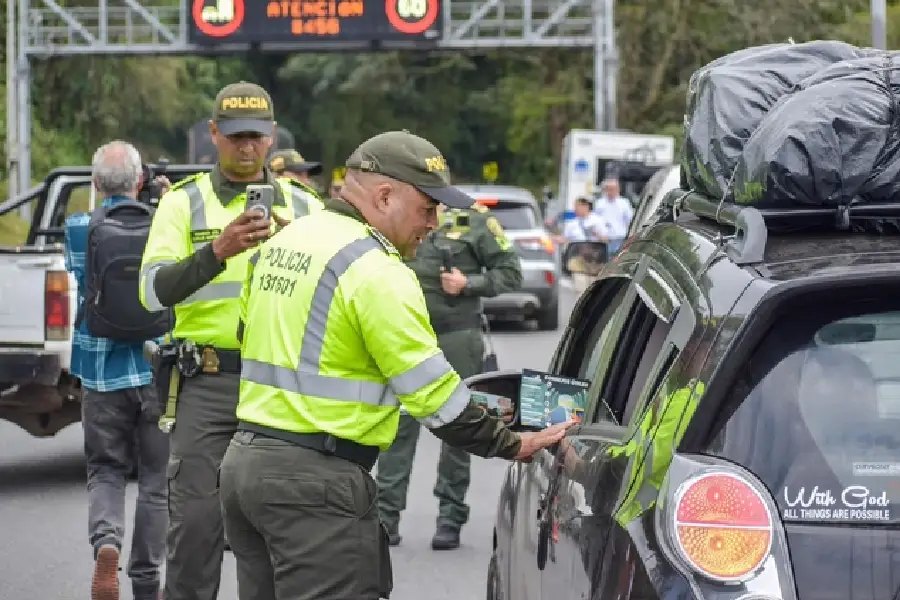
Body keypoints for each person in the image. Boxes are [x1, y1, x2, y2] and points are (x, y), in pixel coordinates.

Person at [219, 130, 573, 600]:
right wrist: (514, 444)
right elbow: (438, 401)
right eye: (428, 208)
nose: (435, 221)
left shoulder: (289, 240)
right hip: (315, 485)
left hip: (245, 467)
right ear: (384, 195)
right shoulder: (378, 271)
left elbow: (250, 334)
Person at [139, 81, 324, 600]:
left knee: (270, 532)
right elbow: (153, 293)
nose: (247, 147)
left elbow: (337, 289)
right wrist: (216, 250)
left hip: (281, 386)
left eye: (257, 137)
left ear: (271, 138)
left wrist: (299, 246)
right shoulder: (183, 203)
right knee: (195, 527)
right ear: (214, 134)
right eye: (236, 135)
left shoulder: (307, 207)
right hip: (209, 384)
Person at [376, 198, 523, 550]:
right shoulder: (395, 216)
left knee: (458, 426)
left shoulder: (474, 222)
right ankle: (385, 519)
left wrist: (469, 283)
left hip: (456, 336)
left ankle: (450, 517)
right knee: (397, 428)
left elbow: (511, 273)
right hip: (406, 336)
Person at [66, 141, 170, 600]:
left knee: (105, 469)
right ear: (141, 180)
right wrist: (162, 205)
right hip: (156, 370)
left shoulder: (78, 228)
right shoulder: (163, 224)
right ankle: (145, 580)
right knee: (155, 479)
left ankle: (107, 541)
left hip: (101, 373)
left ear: (94, 183)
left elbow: (79, 277)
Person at [592, 178, 633, 254]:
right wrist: (599, 235)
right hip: (603, 240)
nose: (611, 191)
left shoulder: (624, 203)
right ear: (605, 190)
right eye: (609, 189)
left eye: (613, 189)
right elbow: (594, 221)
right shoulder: (599, 203)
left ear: (618, 189)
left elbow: (630, 221)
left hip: (620, 239)